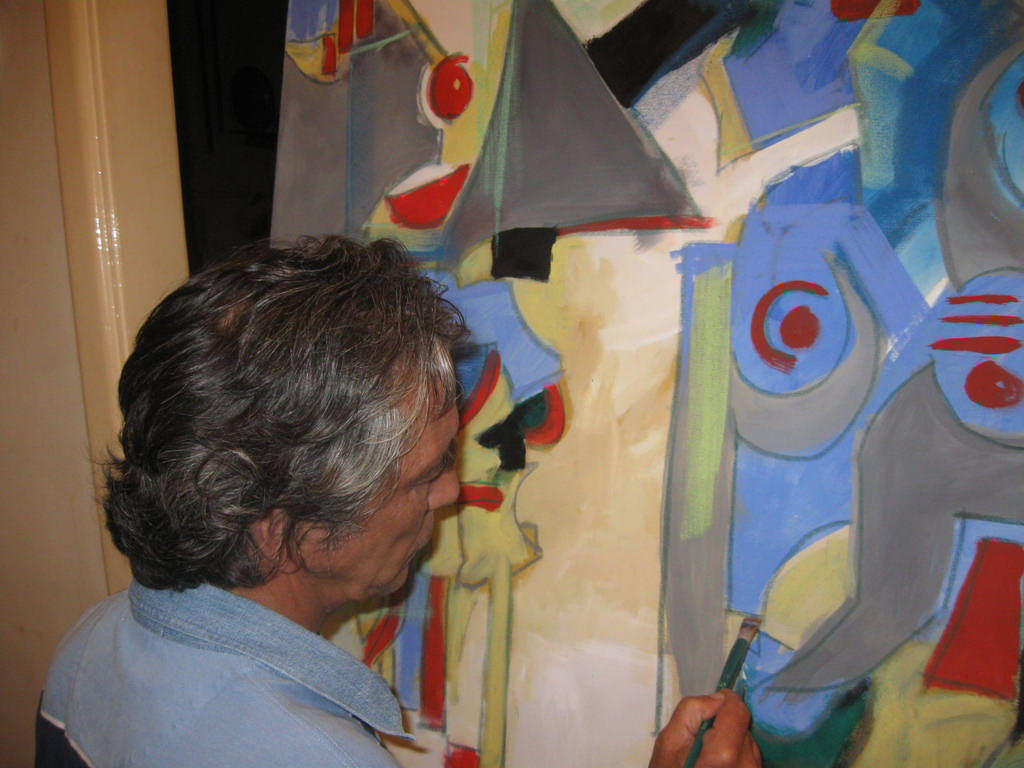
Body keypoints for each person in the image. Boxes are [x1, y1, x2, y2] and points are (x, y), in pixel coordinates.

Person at [36, 236, 760, 767]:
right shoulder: (316, 756)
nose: (451, 493)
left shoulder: (87, 647)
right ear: (283, 532)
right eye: (423, 477)